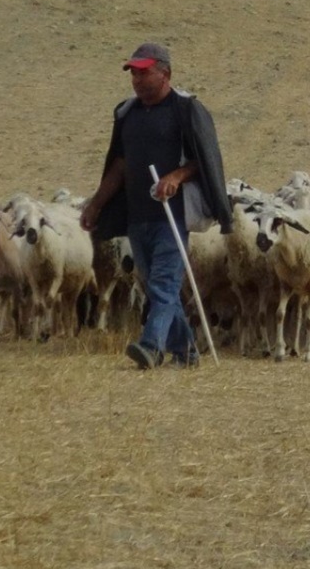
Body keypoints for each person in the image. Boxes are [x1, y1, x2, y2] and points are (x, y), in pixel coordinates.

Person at [80, 42, 233, 369]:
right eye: (133, 73)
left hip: (171, 216)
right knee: (155, 287)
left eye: (143, 72)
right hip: (138, 216)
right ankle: (188, 351)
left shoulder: (185, 109)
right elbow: (119, 166)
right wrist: (96, 204)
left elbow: (203, 160)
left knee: (163, 283)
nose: (136, 79)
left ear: (165, 73)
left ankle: (151, 346)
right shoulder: (127, 113)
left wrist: (176, 176)